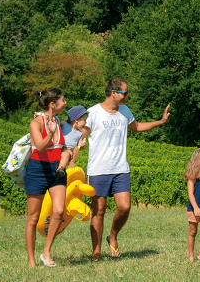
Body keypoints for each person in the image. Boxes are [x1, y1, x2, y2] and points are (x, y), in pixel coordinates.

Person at [78, 78, 170, 260]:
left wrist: (160, 122)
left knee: (125, 207)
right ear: (113, 93)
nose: (127, 96)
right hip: (98, 170)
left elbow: (136, 128)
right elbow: (81, 136)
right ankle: (96, 252)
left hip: (121, 168)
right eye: (125, 93)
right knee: (99, 211)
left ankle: (112, 236)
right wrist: (74, 152)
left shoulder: (125, 111)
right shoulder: (93, 112)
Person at [24, 88, 68, 267]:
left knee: (58, 212)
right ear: (52, 104)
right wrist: (50, 132)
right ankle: (31, 261)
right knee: (33, 218)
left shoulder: (58, 120)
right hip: (37, 170)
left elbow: (74, 122)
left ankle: (46, 251)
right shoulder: (36, 123)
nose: (65, 103)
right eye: (62, 100)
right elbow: (40, 147)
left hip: (57, 170)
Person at [58, 105, 88, 170]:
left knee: (66, 155)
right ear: (76, 120)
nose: (86, 122)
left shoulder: (80, 133)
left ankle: (60, 170)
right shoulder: (65, 125)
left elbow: (78, 147)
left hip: (68, 150)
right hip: (59, 147)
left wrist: (82, 146)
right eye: (84, 120)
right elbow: (57, 120)